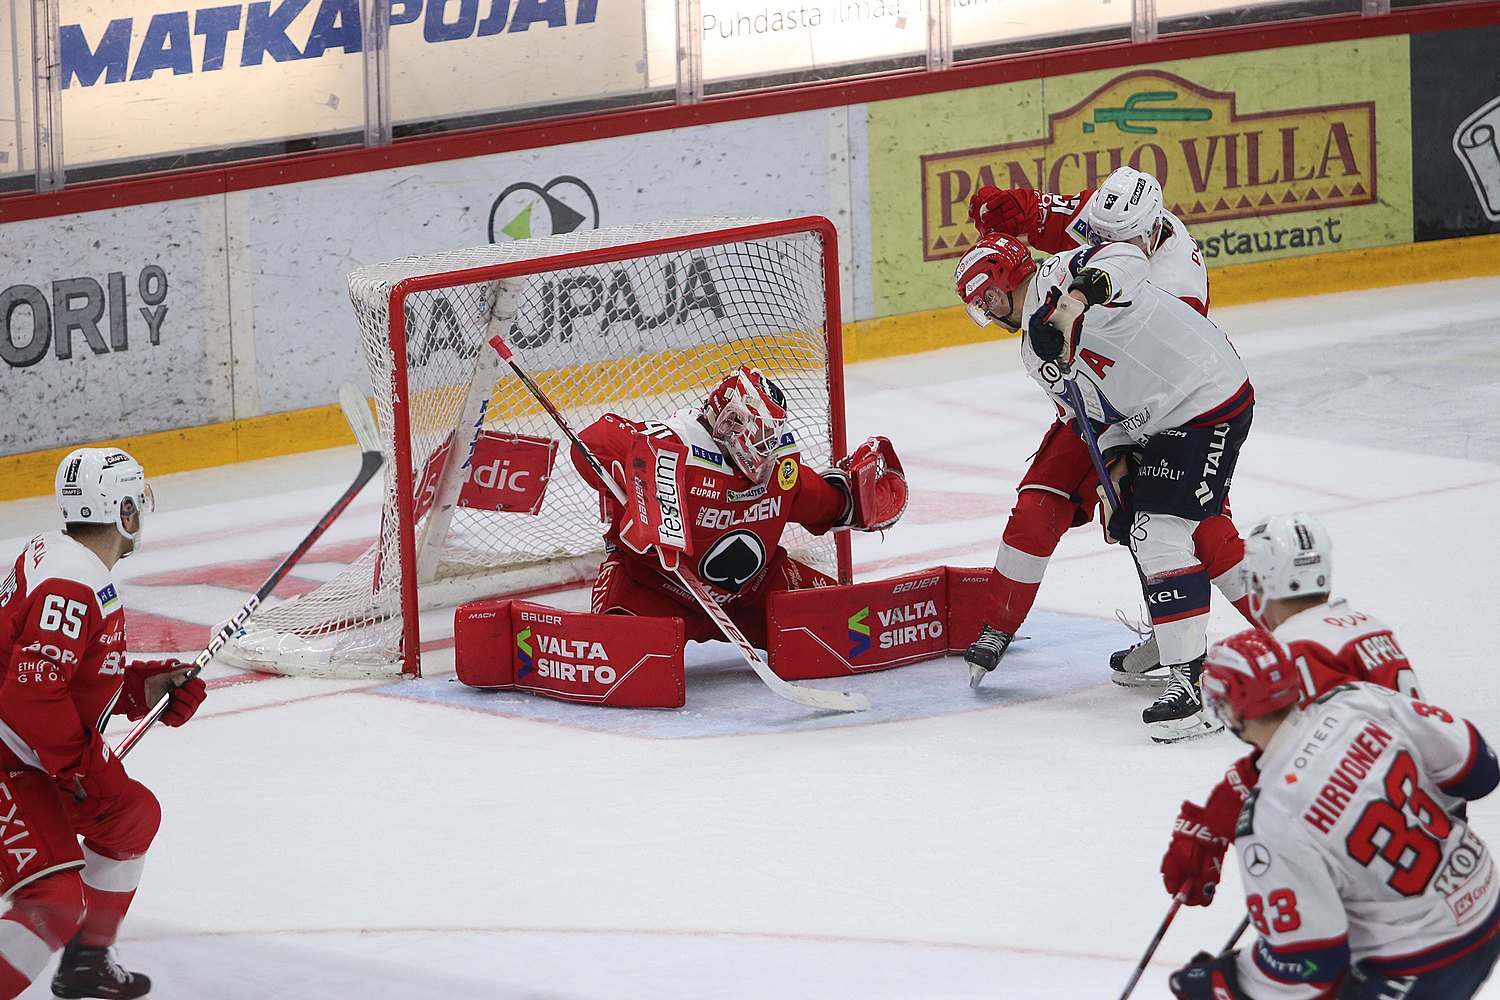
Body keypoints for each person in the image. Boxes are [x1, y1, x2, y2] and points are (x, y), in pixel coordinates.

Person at [954, 222, 1253, 742]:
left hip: (1206, 397)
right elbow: (1094, 415)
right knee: (1160, 529)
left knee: (1162, 533)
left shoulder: (1064, 272)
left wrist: (1072, 304)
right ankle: (1281, 638)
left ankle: (1194, 684)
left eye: (985, 304)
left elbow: (1128, 260)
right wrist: (1116, 476)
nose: (987, 317)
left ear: (1002, 284)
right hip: (1161, 422)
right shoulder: (1033, 353)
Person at [1168, 629, 1500, 999]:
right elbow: (1479, 772)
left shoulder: (1270, 817)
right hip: (1486, 896)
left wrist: (1223, 980)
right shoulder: (1356, 700)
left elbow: (1310, 966)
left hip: (1425, 961)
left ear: (1229, 709)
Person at [0, 448, 206, 1000]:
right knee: (53, 900)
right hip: (8, 758)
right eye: (138, 503)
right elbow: (31, 697)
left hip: (24, 751)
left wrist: (144, 689)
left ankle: (88, 961)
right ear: (124, 512)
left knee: (131, 817)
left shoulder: (69, 562)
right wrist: (84, 769)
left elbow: (64, 676)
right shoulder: (70, 583)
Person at [1161, 512, 1424, 911]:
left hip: (1376, 835)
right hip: (1423, 816)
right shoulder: (1368, 626)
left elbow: (1292, 753)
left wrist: (1214, 822)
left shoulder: (1296, 648)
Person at [572, 365, 907, 649]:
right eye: (758, 433)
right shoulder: (674, 445)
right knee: (617, 656)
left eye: (770, 436)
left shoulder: (776, 468)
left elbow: (815, 499)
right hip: (657, 589)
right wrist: (647, 483)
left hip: (754, 593)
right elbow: (591, 441)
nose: (766, 447)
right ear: (730, 421)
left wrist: (853, 501)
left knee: (851, 626)